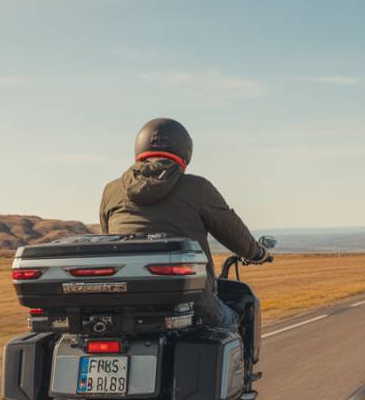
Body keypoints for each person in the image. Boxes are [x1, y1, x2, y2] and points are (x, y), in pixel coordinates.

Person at [99, 117, 270, 328]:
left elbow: (109, 239)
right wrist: (258, 253)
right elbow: (232, 231)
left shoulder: (112, 191)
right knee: (235, 321)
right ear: (185, 150)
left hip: (123, 307)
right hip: (192, 304)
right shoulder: (197, 188)